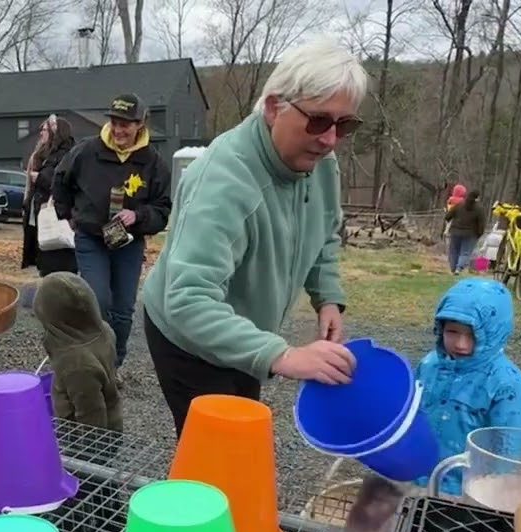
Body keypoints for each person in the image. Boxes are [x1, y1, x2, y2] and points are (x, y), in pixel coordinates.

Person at [140, 38, 364, 436]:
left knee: (241, 431)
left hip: (246, 326)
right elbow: (188, 301)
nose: (330, 139)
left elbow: (325, 231)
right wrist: (282, 354)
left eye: (344, 125)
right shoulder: (224, 180)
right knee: (217, 452)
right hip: (187, 338)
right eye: (318, 120)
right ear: (275, 107)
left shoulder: (321, 162)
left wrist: (327, 296)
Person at [52, 93, 172, 369]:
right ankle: (93, 360)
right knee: (97, 300)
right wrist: (67, 214)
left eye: (126, 124)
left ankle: (112, 364)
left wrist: (139, 215)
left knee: (122, 310)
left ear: (140, 125)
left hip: (128, 243)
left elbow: (162, 208)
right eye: (115, 122)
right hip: (91, 239)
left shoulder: (152, 162)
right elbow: (60, 180)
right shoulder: (86, 151)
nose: (119, 130)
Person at [415, 278, 521, 496]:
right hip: (417, 479)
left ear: (495, 333)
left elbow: (506, 452)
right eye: (452, 332)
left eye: (473, 335)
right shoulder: (429, 365)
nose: (461, 344)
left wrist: (487, 492)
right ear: (439, 328)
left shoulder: (509, 386)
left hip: (465, 493)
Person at [34, 272, 122, 432]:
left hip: (83, 438)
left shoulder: (76, 365)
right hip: (113, 418)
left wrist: (87, 453)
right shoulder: (104, 331)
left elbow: (92, 415)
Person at [21, 115, 78, 277]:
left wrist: (39, 177)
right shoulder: (44, 153)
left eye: (45, 129)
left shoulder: (66, 154)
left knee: (56, 253)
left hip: (54, 211)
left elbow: (60, 180)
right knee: (43, 250)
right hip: (39, 209)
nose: (41, 133)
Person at [444, 189, 485, 274]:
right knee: (465, 252)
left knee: (453, 251)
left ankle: (453, 269)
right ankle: (459, 268)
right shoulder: (479, 209)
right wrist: (479, 234)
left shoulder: (459, 205)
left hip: (455, 231)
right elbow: (481, 223)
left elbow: (448, 216)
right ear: (477, 198)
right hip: (470, 234)